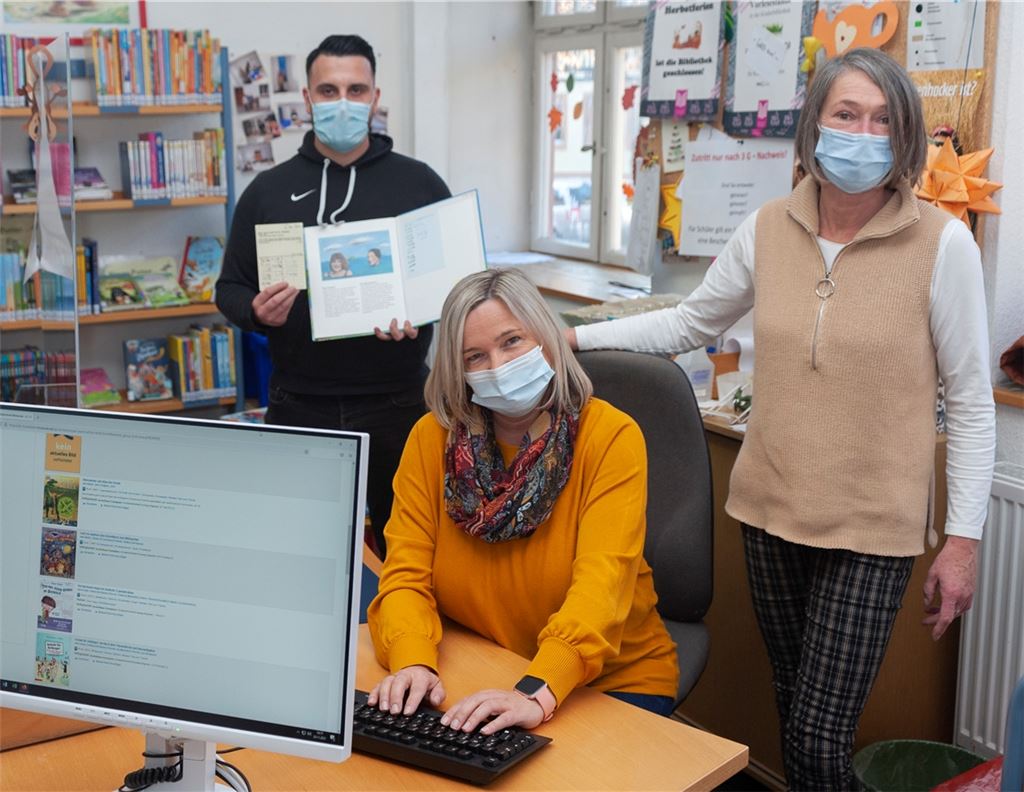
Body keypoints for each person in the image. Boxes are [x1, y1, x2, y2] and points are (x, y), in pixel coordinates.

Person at [567, 48, 995, 789]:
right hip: (769, 514)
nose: (865, 133)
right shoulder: (768, 228)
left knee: (820, 738)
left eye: (884, 120)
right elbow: (684, 324)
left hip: (872, 529)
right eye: (847, 114)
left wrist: (962, 543)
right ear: (814, 126)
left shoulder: (942, 245)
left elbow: (971, 403)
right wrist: (571, 339)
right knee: (794, 709)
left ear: (906, 137)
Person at [366, 268, 679, 734]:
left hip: (607, 682)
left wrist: (540, 687)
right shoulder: (430, 440)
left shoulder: (610, 436)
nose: (497, 366)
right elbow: (405, 574)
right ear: (458, 369)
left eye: (512, 341)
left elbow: (602, 585)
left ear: (548, 340)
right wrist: (413, 661)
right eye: (475, 355)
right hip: (485, 662)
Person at [217, 34, 451, 557]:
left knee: (410, 557)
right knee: (300, 555)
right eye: (328, 90)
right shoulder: (267, 191)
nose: (342, 101)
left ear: (374, 96)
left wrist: (424, 313)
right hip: (299, 404)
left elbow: (456, 292)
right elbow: (228, 288)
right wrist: (254, 311)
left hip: (400, 405)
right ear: (307, 98)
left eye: (355, 89)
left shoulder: (420, 187)